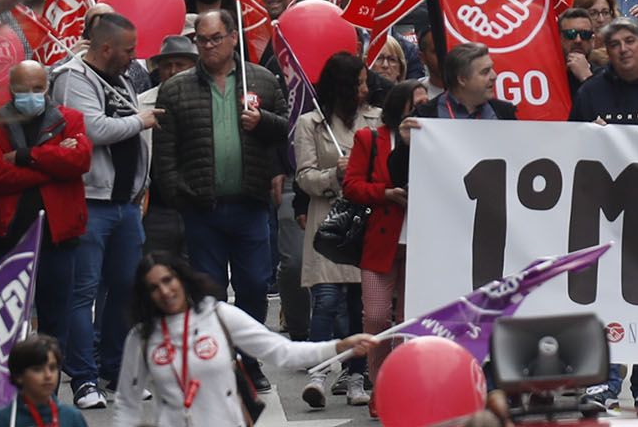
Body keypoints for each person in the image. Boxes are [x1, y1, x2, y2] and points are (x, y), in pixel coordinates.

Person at [151, 10, 288, 386]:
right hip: (202, 209)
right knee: (208, 288)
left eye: (215, 38)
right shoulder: (176, 88)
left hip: (249, 205)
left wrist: (264, 123)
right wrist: (180, 193)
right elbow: (165, 151)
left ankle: (249, 360)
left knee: (255, 284)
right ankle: (215, 360)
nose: (208, 46)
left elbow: (285, 130)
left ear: (232, 38)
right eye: (202, 40)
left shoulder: (260, 79)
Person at [114, 251, 373, 427]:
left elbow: (283, 352)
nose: (164, 291)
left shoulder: (218, 315)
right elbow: (127, 402)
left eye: (168, 280)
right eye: (153, 288)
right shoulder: (142, 337)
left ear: (181, 278)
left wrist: (340, 347)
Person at [51, 13, 156, 409]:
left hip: (124, 205)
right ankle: (83, 378)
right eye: (128, 50)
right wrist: (139, 121)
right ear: (106, 48)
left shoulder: (122, 77)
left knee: (126, 290)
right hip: (89, 203)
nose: (134, 57)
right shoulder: (73, 77)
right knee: (83, 293)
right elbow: (91, 129)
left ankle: (116, 370)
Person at [0, 61, 91, 357]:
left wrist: (25, 156)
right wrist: (53, 165)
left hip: (58, 237)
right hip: (8, 238)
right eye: (23, 89)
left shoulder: (69, 119)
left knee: (56, 320)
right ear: (11, 89)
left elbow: (80, 161)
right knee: (6, 323)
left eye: (37, 88)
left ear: (47, 87)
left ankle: (47, 395)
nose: (31, 95)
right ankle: (9, 393)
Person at [293, 52, 377, 409]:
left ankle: (357, 376)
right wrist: (335, 176)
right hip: (328, 222)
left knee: (361, 305)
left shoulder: (374, 118)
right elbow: (304, 176)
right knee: (326, 300)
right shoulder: (309, 124)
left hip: (365, 222)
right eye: (358, 82)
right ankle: (319, 372)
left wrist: (360, 174)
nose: (365, 88)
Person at [344, 80, 426, 397]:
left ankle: (403, 388)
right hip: (382, 241)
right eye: (415, 105)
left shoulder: (437, 140)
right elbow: (351, 186)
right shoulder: (370, 139)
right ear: (399, 107)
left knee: (408, 323)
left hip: (421, 244)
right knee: (377, 317)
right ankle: (380, 385)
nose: (422, 111)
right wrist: (386, 194)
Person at [425, 43, 518, 122]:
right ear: (462, 79)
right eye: (485, 72)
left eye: (492, 69)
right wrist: (411, 140)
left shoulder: (505, 113)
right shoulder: (426, 115)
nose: (494, 76)